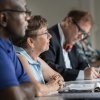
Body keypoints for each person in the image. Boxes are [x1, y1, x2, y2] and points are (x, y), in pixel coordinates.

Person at [40, 10, 100, 81]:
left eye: (84, 35)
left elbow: (81, 63)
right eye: (80, 31)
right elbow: (48, 68)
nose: (81, 37)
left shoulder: (71, 39)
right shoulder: (49, 37)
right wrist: (82, 74)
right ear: (68, 21)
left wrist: (91, 71)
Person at [12, 15, 64, 96]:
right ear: (31, 42)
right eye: (45, 33)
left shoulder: (35, 59)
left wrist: (57, 83)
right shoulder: (19, 57)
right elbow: (37, 90)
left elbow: (59, 77)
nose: (50, 36)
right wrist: (52, 86)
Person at [0, 0, 35, 100]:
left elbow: (32, 87)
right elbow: (14, 97)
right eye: (23, 12)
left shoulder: (8, 46)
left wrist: (18, 90)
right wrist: (19, 91)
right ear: (3, 18)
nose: (28, 18)